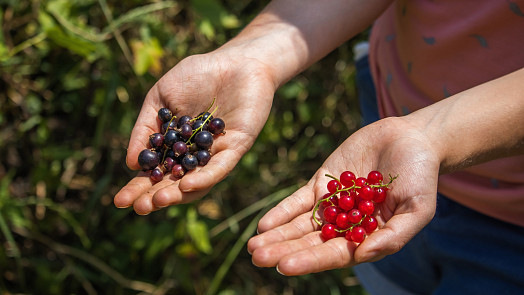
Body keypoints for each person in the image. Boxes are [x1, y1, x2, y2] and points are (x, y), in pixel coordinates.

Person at [114, 0, 524, 293]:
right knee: (388, 275)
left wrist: (436, 138)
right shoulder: (373, 175)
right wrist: (256, 54)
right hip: (391, 113)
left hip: (511, 228)